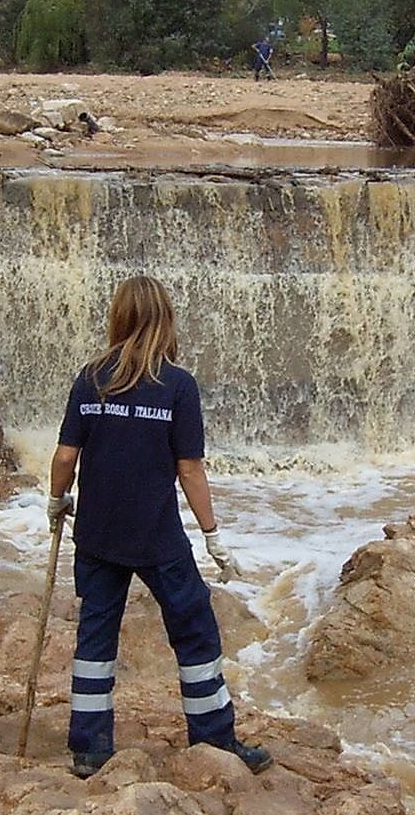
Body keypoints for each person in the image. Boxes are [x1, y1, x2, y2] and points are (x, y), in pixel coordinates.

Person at [46, 276, 273, 779]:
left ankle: (89, 749)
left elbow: (65, 455)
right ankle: (214, 739)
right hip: (157, 536)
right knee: (194, 631)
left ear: (118, 318)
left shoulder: (90, 380)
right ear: (165, 319)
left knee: (96, 635)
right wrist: (212, 535)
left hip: (98, 534)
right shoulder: (177, 385)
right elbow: (189, 468)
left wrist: (56, 501)